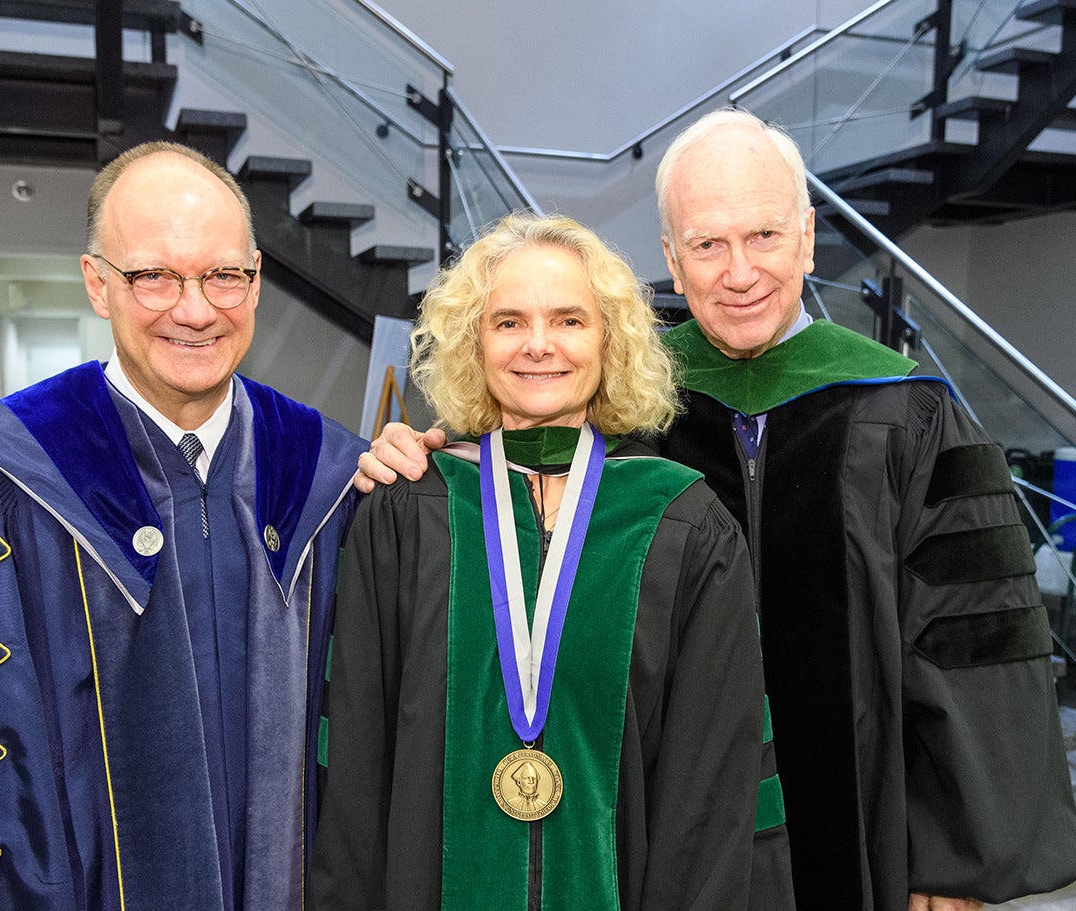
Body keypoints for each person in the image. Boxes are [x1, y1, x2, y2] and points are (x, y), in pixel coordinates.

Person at [359, 109, 1076, 911]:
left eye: (765, 236)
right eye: (706, 244)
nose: (739, 272)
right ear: (671, 257)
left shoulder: (908, 412)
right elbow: (505, 463)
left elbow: (971, 635)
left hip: (864, 827)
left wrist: (950, 855)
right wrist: (419, 448)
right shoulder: (618, 397)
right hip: (656, 826)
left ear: (808, 236)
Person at [0, 141, 367, 910]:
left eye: (222, 275)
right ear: (96, 283)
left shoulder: (334, 477)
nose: (196, 308)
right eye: (153, 276)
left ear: (256, 279)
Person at [310, 213, 793, 910]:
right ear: (474, 343)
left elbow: (714, 789)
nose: (539, 345)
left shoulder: (683, 524)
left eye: (569, 320)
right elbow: (353, 770)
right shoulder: (405, 513)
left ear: (610, 340)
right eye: (508, 322)